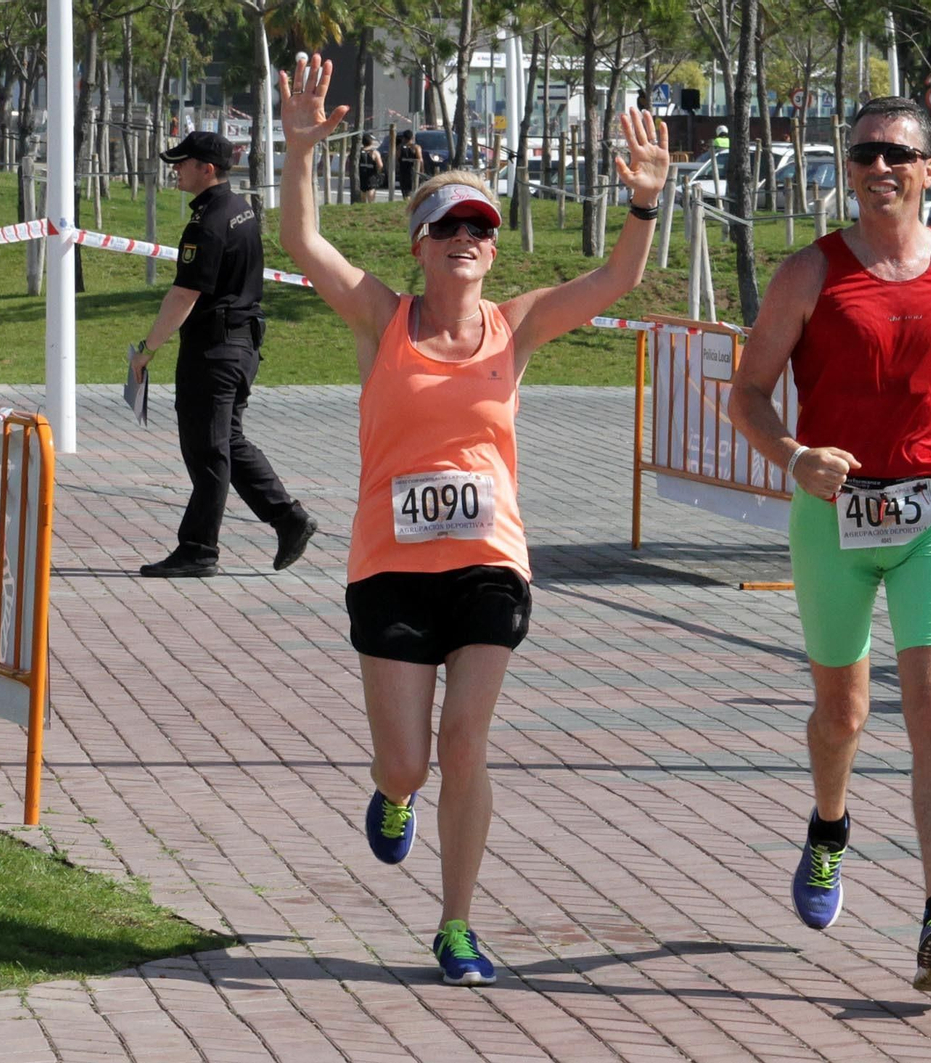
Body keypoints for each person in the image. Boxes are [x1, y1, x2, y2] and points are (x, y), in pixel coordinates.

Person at [276, 53, 668, 987]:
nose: (464, 236)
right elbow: (302, 241)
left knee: (466, 744)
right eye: (447, 224)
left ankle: (457, 925)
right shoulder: (382, 317)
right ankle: (391, 793)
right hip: (389, 564)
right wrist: (297, 152)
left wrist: (646, 202)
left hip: (491, 560)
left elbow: (615, 278)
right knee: (409, 763)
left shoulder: (517, 324)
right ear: (419, 242)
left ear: (493, 248)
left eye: (479, 227)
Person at [729, 96, 931, 992]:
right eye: (863, 154)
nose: (879, 167)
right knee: (845, 715)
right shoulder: (807, 273)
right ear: (847, 170)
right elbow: (748, 393)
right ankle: (829, 828)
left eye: (897, 153)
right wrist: (794, 454)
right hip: (835, 516)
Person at [130, 130, 318, 578]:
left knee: (208, 449)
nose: (175, 169)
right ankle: (287, 518)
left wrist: (146, 350)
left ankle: (199, 549)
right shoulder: (239, 209)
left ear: (206, 168)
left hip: (214, 350)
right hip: (239, 344)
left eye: (182, 162)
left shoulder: (209, 221)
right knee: (226, 441)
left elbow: (185, 293)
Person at [357, 133, 383, 202]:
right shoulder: (374, 153)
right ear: (371, 142)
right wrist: (379, 172)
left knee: (362, 192)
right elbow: (380, 165)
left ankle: (363, 207)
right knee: (371, 191)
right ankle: (370, 207)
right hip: (371, 175)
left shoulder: (358, 152)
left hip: (361, 175)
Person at [395, 129, 423, 194]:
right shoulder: (416, 147)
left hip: (403, 171)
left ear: (403, 137)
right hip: (414, 171)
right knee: (414, 190)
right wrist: (422, 170)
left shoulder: (399, 147)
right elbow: (420, 160)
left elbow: (397, 159)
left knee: (405, 190)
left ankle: (406, 200)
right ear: (412, 138)